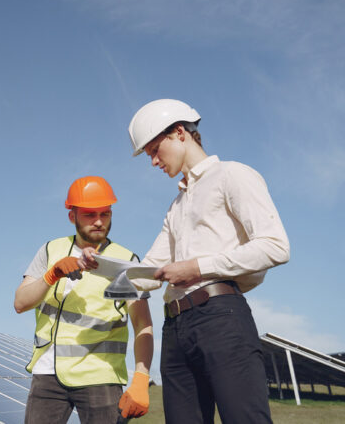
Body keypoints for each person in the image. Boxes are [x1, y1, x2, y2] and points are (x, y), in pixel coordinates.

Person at [120, 98, 290, 423]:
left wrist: (196, 267)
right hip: (175, 329)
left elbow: (275, 246)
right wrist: (98, 268)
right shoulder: (176, 206)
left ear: (180, 133)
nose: (153, 162)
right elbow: (149, 271)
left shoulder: (233, 175)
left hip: (221, 319)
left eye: (155, 150)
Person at [15, 176, 153, 424]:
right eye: (90, 215)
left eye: (105, 214)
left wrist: (142, 379)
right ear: (72, 216)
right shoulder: (50, 250)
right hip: (48, 373)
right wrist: (52, 275)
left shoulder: (126, 260)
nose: (99, 222)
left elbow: (143, 324)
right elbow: (20, 303)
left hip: (101, 376)